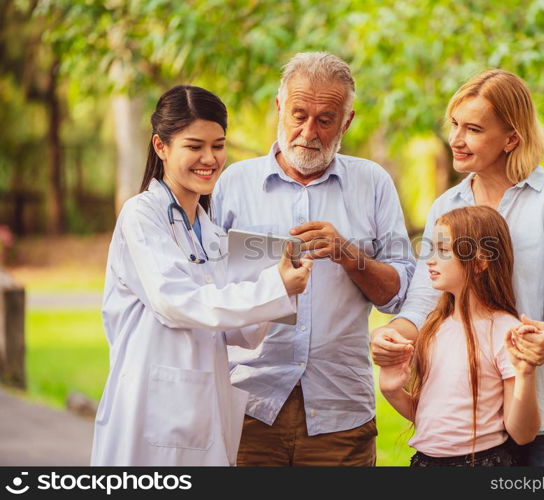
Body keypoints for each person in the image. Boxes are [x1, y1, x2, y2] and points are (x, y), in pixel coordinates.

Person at [371, 69, 544, 466]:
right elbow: (426, 300)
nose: (457, 140)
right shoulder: (447, 206)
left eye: (474, 129)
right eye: (455, 125)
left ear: (512, 138)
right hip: (480, 429)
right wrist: (392, 335)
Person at [90, 85, 312, 466]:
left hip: (202, 409)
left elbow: (239, 334)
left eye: (218, 145)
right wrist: (272, 288)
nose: (209, 159)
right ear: (161, 147)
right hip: (148, 410)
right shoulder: (142, 215)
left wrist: (280, 284)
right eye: (194, 147)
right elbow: (176, 302)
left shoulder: (210, 233)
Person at [213, 52, 415, 466]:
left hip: (340, 413)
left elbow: (397, 295)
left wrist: (348, 255)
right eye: (299, 114)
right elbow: (210, 293)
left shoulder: (373, 183)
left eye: (325, 119)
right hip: (248, 404)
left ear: (348, 121)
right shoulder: (233, 183)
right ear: (279, 108)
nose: (309, 131)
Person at [380, 206, 539, 467]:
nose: (430, 260)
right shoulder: (433, 327)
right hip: (426, 464)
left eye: (443, 251)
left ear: (480, 261)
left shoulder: (504, 331)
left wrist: (525, 375)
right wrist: (391, 391)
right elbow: (431, 421)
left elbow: (523, 434)